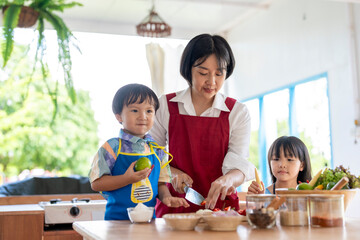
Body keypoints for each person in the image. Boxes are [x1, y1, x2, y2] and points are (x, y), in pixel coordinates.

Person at [149, 33, 255, 217]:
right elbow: (151, 157)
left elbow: (240, 165)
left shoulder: (237, 112)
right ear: (188, 70)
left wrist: (228, 179)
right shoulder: (165, 106)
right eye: (203, 73)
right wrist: (173, 173)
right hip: (175, 208)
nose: (211, 82)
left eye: (219, 74)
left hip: (222, 211)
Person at [89, 83, 189, 220]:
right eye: (135, 110)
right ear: (119, 116)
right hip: (116, 222)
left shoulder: (157, 150)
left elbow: (160, 184)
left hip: (148, 222)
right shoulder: (111, 147)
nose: (143, 116)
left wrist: (167, 198)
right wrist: (126, 179)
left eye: (149, 111)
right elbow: (96, 183)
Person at [247, 136, 312, 194]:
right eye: (276, 159)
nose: (282, 165)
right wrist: (256, 200)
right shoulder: (262, 195)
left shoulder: (309, 195)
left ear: (302, 165)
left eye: (289, 159)